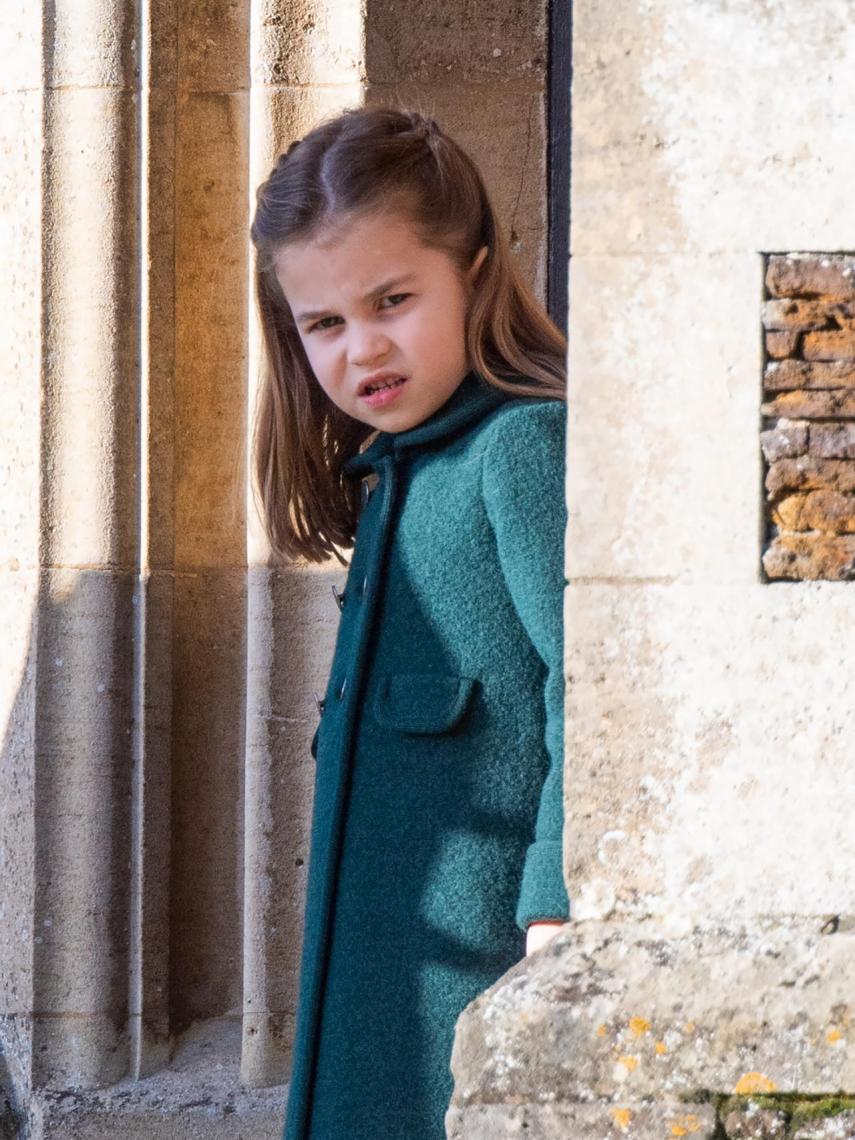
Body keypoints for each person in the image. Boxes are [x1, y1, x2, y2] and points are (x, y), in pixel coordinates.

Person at [249, 105, 571, 1140]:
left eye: (394, 300)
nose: (363, 348)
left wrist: (555, 904)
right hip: (373, 1019)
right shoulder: (394, 479)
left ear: (474, 276)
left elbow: (591, 685)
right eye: (326, 323)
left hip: (477, 992)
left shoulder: (521, 448)